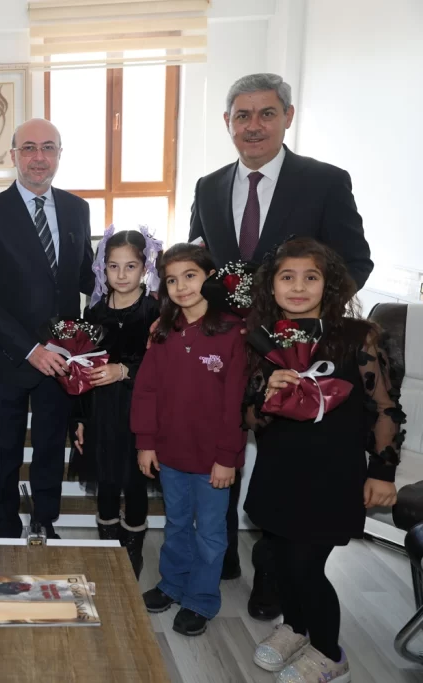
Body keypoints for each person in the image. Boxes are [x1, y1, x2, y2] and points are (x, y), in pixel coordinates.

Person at [188, 73, 373, 618]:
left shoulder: (324, 181)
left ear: (287, 117)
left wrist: (308, 325)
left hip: (298, 354)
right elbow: (201, 264)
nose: (254, 126)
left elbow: (355, 261)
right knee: (221, 443)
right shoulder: (208, 185)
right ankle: (222, 556)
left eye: (266, 113)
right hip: (227, 347)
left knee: (281, 462)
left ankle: (272, 573)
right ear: (227, 122)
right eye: (242, 115)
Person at [242, 238, 401, 681]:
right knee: (278, 560)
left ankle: (331, 654)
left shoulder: (357, 337)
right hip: (278, 471)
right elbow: (249, 418)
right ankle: (295, 627)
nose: (298, 287)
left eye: (310, 277)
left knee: (306, 566)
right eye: (287, 277)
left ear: (328, 284)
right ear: (271, 286)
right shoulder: (262, 339)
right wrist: (268, 394)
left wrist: (382, 471)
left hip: (332, 475)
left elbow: (385, 407)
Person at [0, 118, 96, 539]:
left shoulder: (77, 209)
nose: (39, 157)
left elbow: (85, 279)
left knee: (50, 448)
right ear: (13, 155)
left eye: (48, 148)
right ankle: (6, 529)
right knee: (4, 454)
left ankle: (45, 522)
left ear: (59, 154)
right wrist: (30, 350)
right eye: (29, 148)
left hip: (61, 359)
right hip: (8, 357)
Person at [132, 243, 247, 638]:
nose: (181, 286)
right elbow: (146, 391)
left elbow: (235, 403)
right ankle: (172, 585)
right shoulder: (163, 331)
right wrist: (146, 442)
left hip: (214, 459)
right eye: (172, 280)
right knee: (177, 524)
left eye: (190, 276)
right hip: (169, 453)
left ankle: (200, 599)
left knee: (211, 533)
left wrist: (227, 457)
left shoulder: (233, 332)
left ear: (209, 278)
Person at [71, 228, 162, 578]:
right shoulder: (94, 312)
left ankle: (132, 549)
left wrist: (123, 370)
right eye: (113, 266)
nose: (121, 275)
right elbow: (81, 369)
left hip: (140, 411)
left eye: (130, 266)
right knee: (106, 480)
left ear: (145, 268)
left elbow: (163, 370)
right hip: (101, 411)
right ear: (102, 268)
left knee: (135, 482)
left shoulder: (156, 312)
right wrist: (80, 420)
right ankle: (108, 547)